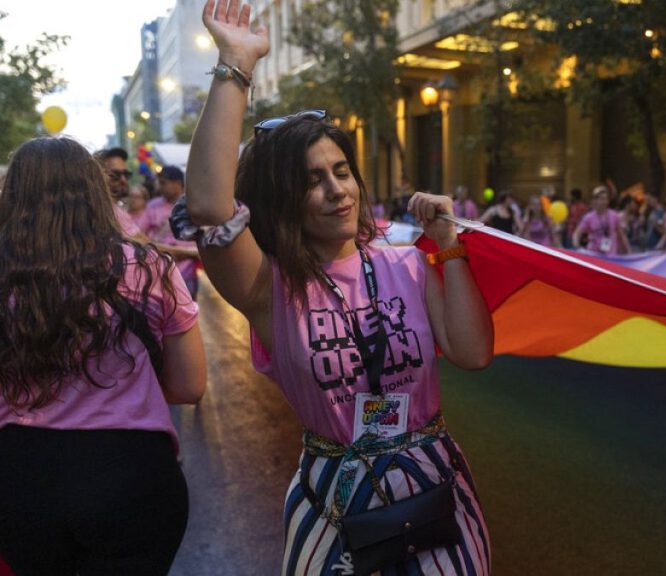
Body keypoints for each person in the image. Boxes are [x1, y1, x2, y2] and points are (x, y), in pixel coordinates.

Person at [179, 2, 495, 574]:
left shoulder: (409, 263)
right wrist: (235, 65)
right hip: (334, 509)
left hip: (438, 492)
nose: (336, 190)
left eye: (341, 171)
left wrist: (448, 242)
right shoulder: (266, 286)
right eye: (312, 181)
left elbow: (473, 353)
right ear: (282, 199)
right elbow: (207, 206)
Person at [0, 137, 207, 574]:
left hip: (19, 475)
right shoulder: (150, 268)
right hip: (130, 474)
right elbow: (189, 387)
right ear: (95, 194)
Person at [140, 166, 202, 298]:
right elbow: (140, 235)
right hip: (158, 273)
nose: (159, 187)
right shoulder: (153, 205)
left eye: (163, 183)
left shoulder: (194, 206)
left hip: (186, 272)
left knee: (186, 316)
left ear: (178, 183)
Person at [95, 147, 146, 239]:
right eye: (115, 175)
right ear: (97, 176)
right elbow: (147, 245)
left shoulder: (115, 209)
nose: (123, 180)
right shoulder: (108, 211)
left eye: (126, 174)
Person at [572, 185, 631, 254]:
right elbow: (577, 234)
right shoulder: (588, 217)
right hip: (594, 256)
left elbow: (621, 236)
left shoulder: (614, 216)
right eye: (601, 199)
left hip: (611, 256)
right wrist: (577, 247)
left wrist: (628, 252)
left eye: (605, 199)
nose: (603, 201)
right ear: (595, 200)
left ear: (608, 201)